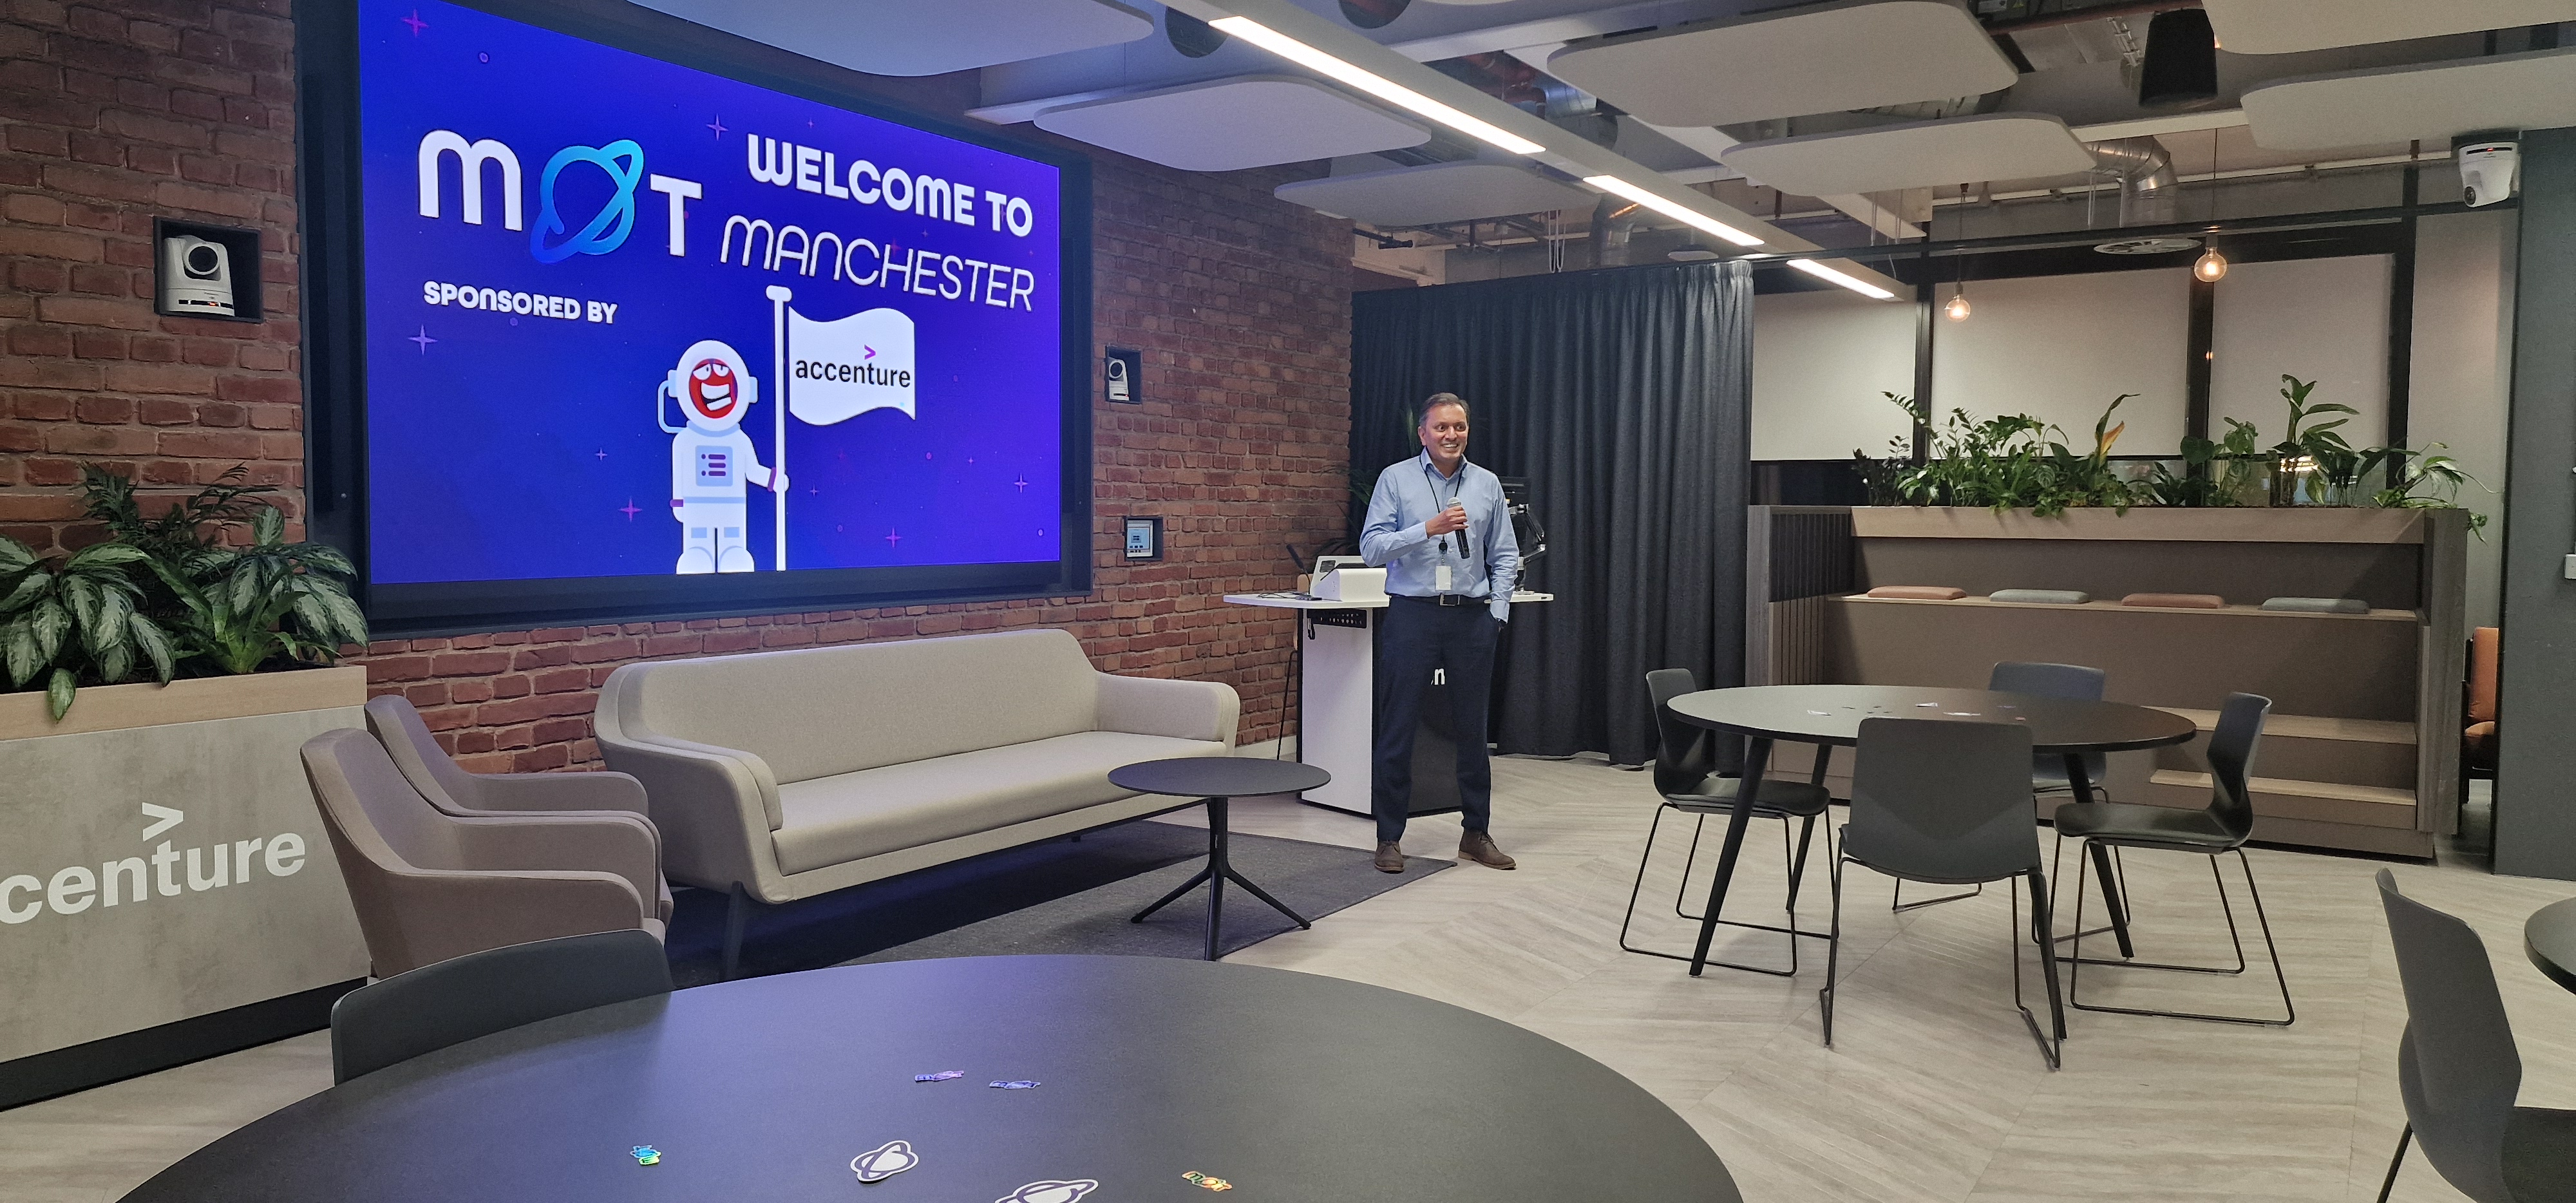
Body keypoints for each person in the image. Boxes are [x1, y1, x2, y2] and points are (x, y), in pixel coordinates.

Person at [1359, 393, 1520, 873]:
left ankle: (1476, 833)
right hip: (1413, 615)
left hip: (1471, 618)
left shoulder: (1487, 484)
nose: (1452, 435)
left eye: (1460, 427)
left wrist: (1498, 611)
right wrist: (1426, 529)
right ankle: (1389, 837)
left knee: (1472, 730)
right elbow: (1371, 548)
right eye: (1442, 428)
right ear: (1423, 433)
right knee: (1399, 727)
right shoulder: (1396, 479)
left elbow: (1506, 554)